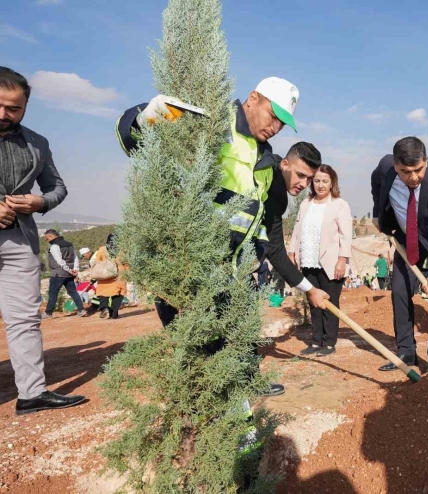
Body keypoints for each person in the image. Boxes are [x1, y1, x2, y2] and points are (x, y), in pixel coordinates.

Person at [117, 77, 331, 396]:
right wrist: (146, 118)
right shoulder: (215, 120)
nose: (275, 127)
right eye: (273, 116)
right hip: (188, 262)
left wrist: (308, 288)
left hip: (231, 267)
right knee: (198, 351)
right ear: (253, 98)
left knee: (235, 335)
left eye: (282, 124)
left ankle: (242, 386)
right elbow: (133, 138)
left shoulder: (265, 161)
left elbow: (273, 246)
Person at [0, 66, 85, 414]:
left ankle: (31, 393)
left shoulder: (37, 143)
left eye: (13, 108)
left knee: (24, 319)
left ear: (25, 108)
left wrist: (41, 201)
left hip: (20, 242)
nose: (3, 114)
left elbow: (57, 186)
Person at [372, 137, 428, 372]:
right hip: (407, 236)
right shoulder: (385, 168)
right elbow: (376, 182)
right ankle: (406, 352)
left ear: (426, 161)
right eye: (405, 172)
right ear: (395, 166)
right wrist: (376, 213)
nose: (413, 177)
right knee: (400, 289)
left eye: (418, 170)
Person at [288, 164, 352, 356]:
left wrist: (342, 260)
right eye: (317, 181)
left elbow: (346, 235)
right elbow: (297, 228)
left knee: (329, 303)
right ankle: (316, 341)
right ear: (312, 182)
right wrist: (292, 251)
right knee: (313, 301)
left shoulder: (340, 205)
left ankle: (329, 342)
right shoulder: (306, 203)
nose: (321, 185)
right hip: (308, 260)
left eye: (325, 181)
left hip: (331, 262)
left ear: (332, 182)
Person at [42, 229, 88, 318]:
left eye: (47, 239)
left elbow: (59, 261)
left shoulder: (54, 246)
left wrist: (69, 270)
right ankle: (81, 310)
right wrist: (74, 269)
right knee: (73, 292)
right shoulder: (69, 244)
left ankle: (48, 313)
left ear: (51, 237)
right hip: (69, 274)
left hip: (58, 273)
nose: (47, 241)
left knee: (53, 293)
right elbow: (75, 258)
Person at [92, 234, 127, 320]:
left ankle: (104, 307)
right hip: (119, 276)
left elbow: (97, 261)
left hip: (105, 275)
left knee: (103, 293)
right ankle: (114, 314)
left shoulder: (102, 249)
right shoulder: (123, 250)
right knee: (118, 294)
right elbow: (126, 263)